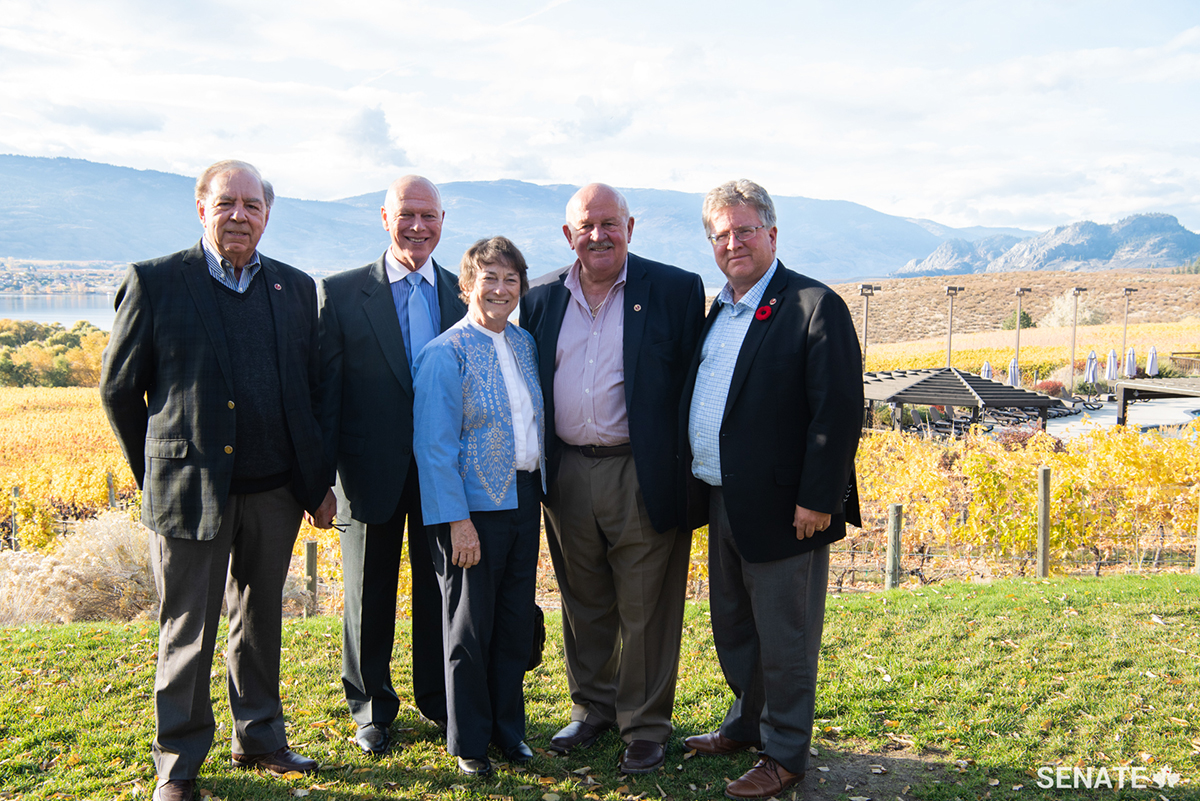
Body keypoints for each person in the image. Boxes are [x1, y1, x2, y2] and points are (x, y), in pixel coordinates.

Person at [100, 160, 336, 801]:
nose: (240, 215)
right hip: (189, 492)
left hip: (274, 492)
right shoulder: (155, 282)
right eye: (227, 203)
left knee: (260, 622)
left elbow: (307, 395)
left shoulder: (292, 288)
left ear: (267, 214)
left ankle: (261, 739)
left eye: (252, 205)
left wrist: (315, 483)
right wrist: (157, 470)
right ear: (201, 208)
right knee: (188, 628)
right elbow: (120, 391)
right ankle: (177, 766)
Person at [680, 180, 863, 800]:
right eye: (721, 234)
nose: (733, 242)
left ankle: (784, 755)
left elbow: (837, 411)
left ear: (772, 234)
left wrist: (819, 497)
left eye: (745, 230)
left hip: (790, 510)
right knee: (734, 627)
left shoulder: (813, 305)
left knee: (784, 640)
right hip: (723, 496)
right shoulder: (720, 309)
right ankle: (746, 724)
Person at [520, 183, 705, 774]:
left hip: (641, 470)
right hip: (569, 470)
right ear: (567, 235)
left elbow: (690, 390)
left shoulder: (675, 290)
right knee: (584, 600)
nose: (597, 235)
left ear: (631, 226)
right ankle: (592, 707)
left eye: (609, 223)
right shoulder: (542, 295)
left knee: (647, 603)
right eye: (586, 225)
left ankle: (645, 726)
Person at [317, 175, 466, 755]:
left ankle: (438, 698)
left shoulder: (462, 292)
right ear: (385, 217)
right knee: (367, 595)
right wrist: (321, 484)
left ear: (442, 220)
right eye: (407, 214)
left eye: (428, 215)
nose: (418, 226)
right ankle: (371, 708)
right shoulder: (341, 291)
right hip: (365, 475)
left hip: (440, 477)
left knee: (441, 592)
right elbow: (326, 396)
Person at [413, 236, 546, 776]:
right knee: (469, 628)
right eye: (488, 278)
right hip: (472, 511)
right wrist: (457, 523)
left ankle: (507, 732)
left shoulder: (525, 344)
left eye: (510, 279)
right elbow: (433, 447)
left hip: (524, 498)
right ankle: (468, 740)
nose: (499, 288)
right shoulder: (444, 353)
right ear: (466, 286)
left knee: (514, 623)